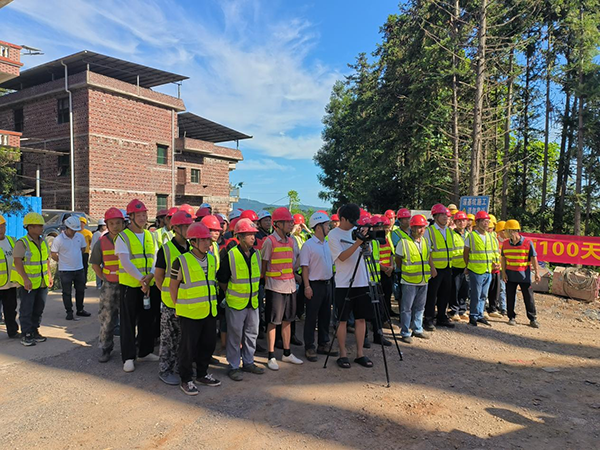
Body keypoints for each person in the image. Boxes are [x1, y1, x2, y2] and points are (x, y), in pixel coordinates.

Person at [169, 222, 221, 395]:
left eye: (208, 239)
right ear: (193, 242)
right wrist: (176, 306)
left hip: (209, 310)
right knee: (188, 348)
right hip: (189, 312)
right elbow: (173, 286)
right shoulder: (181, 261)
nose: (207, 243)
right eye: (203, 240)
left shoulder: (211, 259)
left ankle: (202, 374)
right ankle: (186, 379)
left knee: (208, 344)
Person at [217, 218, 265, 381]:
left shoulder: (256, 254)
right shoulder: (230, 255)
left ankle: (248, 362)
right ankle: (233, 366)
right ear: (240, 236)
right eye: (249, 234)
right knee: (234, 336)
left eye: (253, 234)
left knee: (252, 334)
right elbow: (222, 280)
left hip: (253, 302)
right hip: (236, 303)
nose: (253, 237)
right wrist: (232, 293)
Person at [328, 203, 374, 369]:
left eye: (356, 220)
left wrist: (365, 242)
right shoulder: (333, 235)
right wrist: (357, 243)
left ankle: (360, 353)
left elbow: (368, 253)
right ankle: (343, 354)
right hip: (344, 283)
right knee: (342, 320)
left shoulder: (358, 231)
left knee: (361, 319)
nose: (353, 224)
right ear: (342, 219)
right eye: (350, 220)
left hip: (362, 280)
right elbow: (341, 257)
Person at [116, 199, 159, 373]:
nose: (142, 218)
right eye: (139, 215)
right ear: (131, 217)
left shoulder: (150, 235)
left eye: (144, 215)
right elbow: (125, 262)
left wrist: (151, 275)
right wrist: (142, 279)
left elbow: (156, 257)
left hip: (149, 285)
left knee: (147, 319)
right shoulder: (123, 237)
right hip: (131, 286)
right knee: (128, 322)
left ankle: (145, 351)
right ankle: (128, 357)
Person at [261, 206, 303, 370]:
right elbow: (264, 264)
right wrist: (266, 284)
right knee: (273, 322)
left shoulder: (291, 241)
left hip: (290, 286)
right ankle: (271, 356)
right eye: (287, 222)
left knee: (288, 321)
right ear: (278, 224)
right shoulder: (269, 241)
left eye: (291, 222)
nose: (291, 224)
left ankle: (287, 353)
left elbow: (292, 263)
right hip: (275, 287)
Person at [154, 210, 193, 385]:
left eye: (190, 226)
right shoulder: (166, 249)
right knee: (168, 339)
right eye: (185, 226)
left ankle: (179, 367)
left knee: (182, 338)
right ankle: (165, 370)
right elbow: (159, 277)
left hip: (187, 301)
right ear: (176, 228)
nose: (189, 229)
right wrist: (167, 295)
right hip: (170, 302)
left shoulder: (192, 248)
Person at [300, 212, 337, 362]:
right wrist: (307, 287)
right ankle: (309, 346)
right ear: (318, 227)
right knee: (311, 317)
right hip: (314, 285)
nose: (329, 227)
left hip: (327, 284)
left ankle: (323, 343)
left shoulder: (327, 244)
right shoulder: (308, 245)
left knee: (325, 315)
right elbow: (305, 268)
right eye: (326, 225)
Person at [12, 212, 53, 346]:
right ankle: (26, 333)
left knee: (39, 308)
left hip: (42, 281)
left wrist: (49, 275)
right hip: (28, 283)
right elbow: (17, 262)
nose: (42, 228)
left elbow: (46, 260)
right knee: (27, 309)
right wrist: (25, 279)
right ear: (30, 228)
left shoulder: (43, 242)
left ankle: (35, 330)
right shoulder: (22, 243)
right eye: (39, 226)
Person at [91, 208, 126, 362]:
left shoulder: (129, 240)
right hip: (110, 286)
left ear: (123, 223)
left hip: (127, 284)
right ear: (107, 225)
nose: (115, 226)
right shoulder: (101, 243)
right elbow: (95, 265)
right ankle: (106, 348)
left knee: (129, 319)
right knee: (107, 318)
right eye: (112, 223)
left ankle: (130, 348)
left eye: (118, 223)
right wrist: (104, 278)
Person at [394, 214, 436, 343]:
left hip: (423, 279)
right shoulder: (403, 242)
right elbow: (398, 259)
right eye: (418, 227)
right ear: (412, 228)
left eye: (422, 227)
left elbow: (428, 256)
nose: (421, 230)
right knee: (406, 308)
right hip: (409, 281)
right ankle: (405, 332)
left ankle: (418, 329)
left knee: (420, 307)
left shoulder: (425, 241)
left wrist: (432, 268)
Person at [501, 220, 540, 328]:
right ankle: (511, 317)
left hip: (524, 276)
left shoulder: (527, 242)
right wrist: (503, 272)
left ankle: (532, 319)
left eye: (506, 230)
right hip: (510, 275)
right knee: (510, 297)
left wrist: (537, 273)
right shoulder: (505, 243)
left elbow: (534, 258)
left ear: (512, 231)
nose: (504, 233)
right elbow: (503, 259)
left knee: (528, 297)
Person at [423, 204, 455, 331]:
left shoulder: (449, 231)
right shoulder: (429, 231)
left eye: (446, 215)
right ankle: (428, 319)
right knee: (432, 295)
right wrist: (432, 267)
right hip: (435, 268)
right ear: (435, 216)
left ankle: (442, 316)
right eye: (442, 215)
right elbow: (428, 251)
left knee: (445, 294)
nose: (445, 217)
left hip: (447, 267)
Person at [51, 216, 90, 320]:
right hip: (65, 270)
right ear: (67, 228)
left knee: (80, 290)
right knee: (67, 292)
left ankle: (80, 309)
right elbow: (53, 254)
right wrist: (62, 261)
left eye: (76, 230)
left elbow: (83, 249)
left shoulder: (80, 237)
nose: (74, 232)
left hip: (79, 268)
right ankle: (69, 311)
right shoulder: (58, 239)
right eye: (72, 230)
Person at [463, 211, 494, 327]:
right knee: (476, 294)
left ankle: (480, 314)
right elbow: (466, 252)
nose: (486, 224)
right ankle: (473, 315)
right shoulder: (471, 236)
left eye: (487, 221)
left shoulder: (490, 236)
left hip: (487, 269)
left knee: (483, 295)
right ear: (478, 222)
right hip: (476, 270)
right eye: (484, 221)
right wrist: (468, 265)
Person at [449, 211, 470, 321]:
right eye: (459, 221)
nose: (462, 223)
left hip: (466, 267)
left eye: (463, 220)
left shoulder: (468, 234)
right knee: (454, 290)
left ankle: (462, 310)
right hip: (455, 267)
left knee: (464, 289)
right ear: (455, 222)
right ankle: (454, 311)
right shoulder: (451, 235)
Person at [0, 215, 19, 339]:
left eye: (2, 226)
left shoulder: (12, 240)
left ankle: (12, 331)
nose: (1, 229)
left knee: (11, 309)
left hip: (11, 283)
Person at [486, 214, 503, 318]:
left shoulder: (495, 238)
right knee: (484, 292)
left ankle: (493, 309)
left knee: (495, 290)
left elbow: (497, 253)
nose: (490, 229)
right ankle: (483, 310)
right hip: (487, 267)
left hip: (496, 268)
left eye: (491, 227)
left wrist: (499, 263)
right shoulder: (483, 237)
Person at [91, 219, 107, 289]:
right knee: (98, 268)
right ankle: (99, 284)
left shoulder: (107, 233)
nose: (105, 227)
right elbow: (93, 244)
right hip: (98, 253)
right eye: (104, 225)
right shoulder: (96, 234)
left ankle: (104, 283)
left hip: (105, 253)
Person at [496, 221, 508, 315]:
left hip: (509, 268)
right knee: (502, 288)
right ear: (499, 231)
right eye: (504, 230)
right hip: (499, 269)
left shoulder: (509, 241)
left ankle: (510, 307)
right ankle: (503, 307)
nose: (506, 232)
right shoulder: (495, 240)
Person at [78, 216, 93, 282]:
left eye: (83, 223)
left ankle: (84, 281)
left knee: (85, 267)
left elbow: (91, 241)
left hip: (85, 253)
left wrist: (88, 247)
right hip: (77, 253)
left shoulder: (88, 232)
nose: (81, 224)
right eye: (80, 223)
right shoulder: (75, 232)